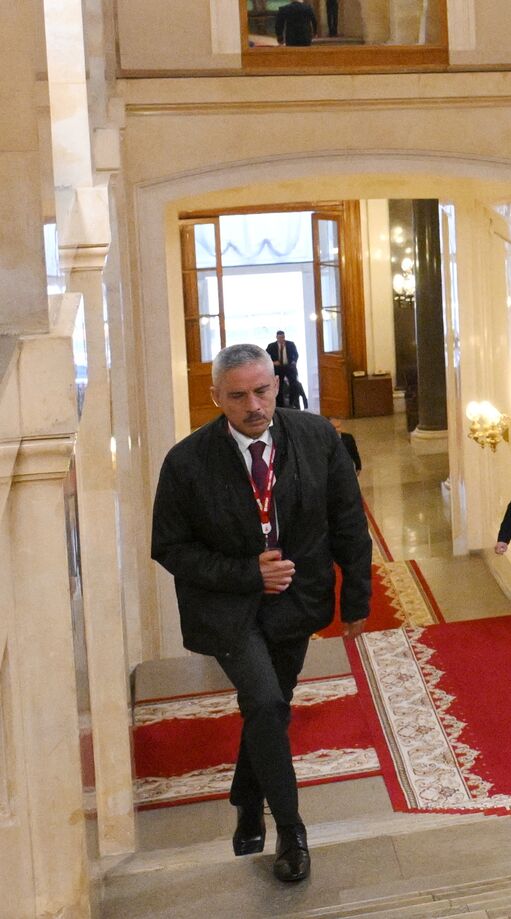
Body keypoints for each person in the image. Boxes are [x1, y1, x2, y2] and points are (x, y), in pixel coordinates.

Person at [151, 343, 371, 883]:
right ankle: (291, 831)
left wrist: (357, 600)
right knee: (268, 702)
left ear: (277, 383)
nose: (254, 405)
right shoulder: (186, 461)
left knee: (271, 707)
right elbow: (170, 548)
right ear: (215, 398)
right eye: (238, 395)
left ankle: (248, 798)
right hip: (227, 609)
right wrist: (249, 573)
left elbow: (348, 522)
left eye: (262, 390)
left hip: (297, 602)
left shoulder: (319, 438)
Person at [266, 332, 300, 408]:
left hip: (289, 367)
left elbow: (296, 355)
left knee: (294, 385)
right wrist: (273, 362)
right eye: (280, 337)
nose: (281, 339)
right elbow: (265, 357)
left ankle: (293, 403)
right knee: (279, 386)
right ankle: (280, 405)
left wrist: (294, 362)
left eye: (283, 337)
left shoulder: (291, 344)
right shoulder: (271, 346)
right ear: (276, 337)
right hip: (278, 368)